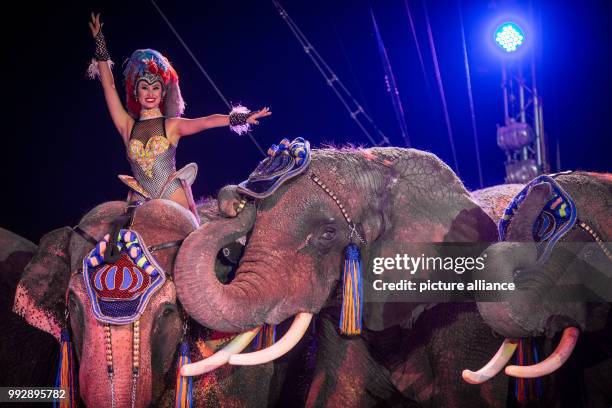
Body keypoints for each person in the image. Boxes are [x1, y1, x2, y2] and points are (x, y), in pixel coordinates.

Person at [87, 13, 271, 216]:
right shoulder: (127, 126)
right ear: (136, 94)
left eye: (155, 88)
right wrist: (100, 41)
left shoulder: (171, 126)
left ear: (162, 93)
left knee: (190, 244)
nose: (150, 93)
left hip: (172, 195)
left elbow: (206, 122)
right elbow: (109, 86)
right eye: (144, 88)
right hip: (141, 200)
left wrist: (243, 117)